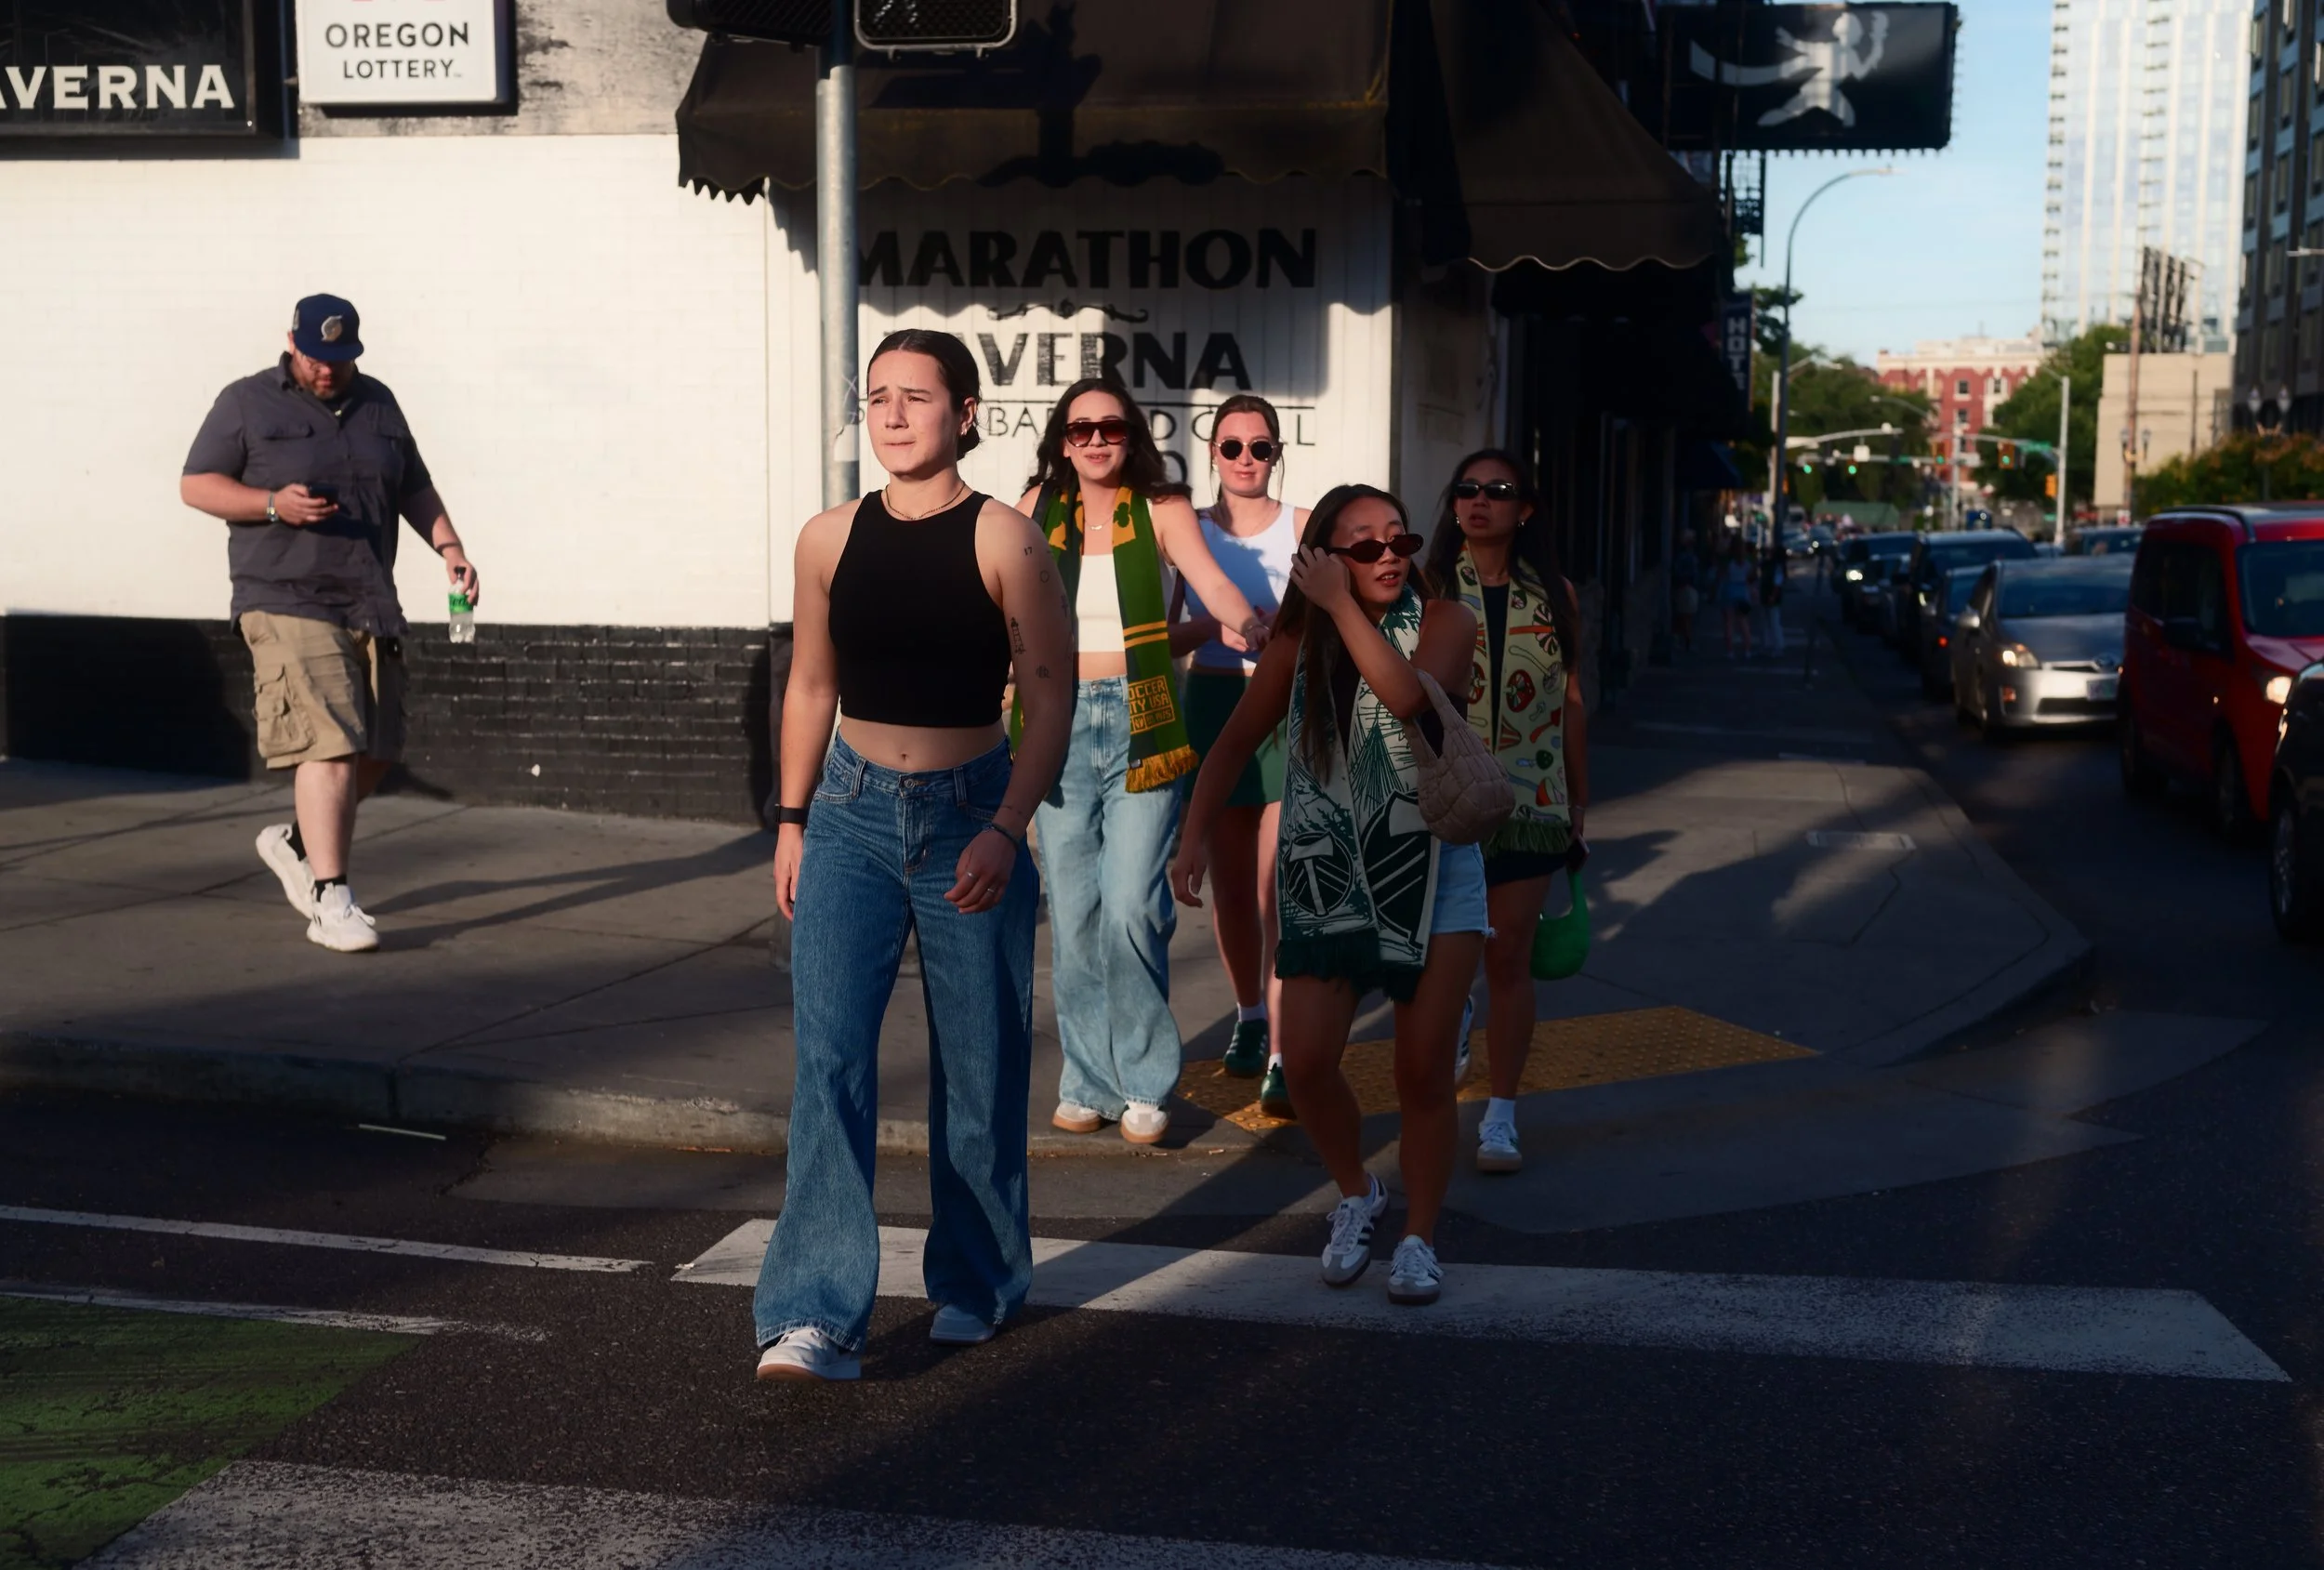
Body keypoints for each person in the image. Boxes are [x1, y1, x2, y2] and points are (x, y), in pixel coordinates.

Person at [755, 329, 1073, 1382]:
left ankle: (977, 1282)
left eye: (918, 397)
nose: (893, 415)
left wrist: (1005, 826)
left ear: (966, 414)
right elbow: (809, 685)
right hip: (845, 813)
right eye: (878, 397)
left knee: (978, 1067)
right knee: (831, 1063)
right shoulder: (826, 537)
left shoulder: (1007, 540)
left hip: (969, 812)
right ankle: (814, 1315)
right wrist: (792, 819)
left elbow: (1049, 694)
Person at [1171, 484, 1484, 1306]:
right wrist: (1191, 837)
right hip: (1327, 872)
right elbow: (1235, 741)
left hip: (1435, 873)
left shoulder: (1449, 621)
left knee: (1422, 1072)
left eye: (1399, 541)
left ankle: (1418, 1234)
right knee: (1305, 1062)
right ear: (1325, 560)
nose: (1389, 557)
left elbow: (1409, 696)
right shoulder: (1299, 645)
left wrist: (1340, 609)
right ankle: (1357, 1193)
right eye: (1364, 546)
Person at [178, 294, 479, 954]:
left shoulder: (379, 403)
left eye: (340, 361)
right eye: (316, 358)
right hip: (284, 593)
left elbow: (414, 487)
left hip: (367, 596)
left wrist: (452, 551)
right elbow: (196, 484)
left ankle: (294, 839)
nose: (327, 372)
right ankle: (330, 896)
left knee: (377, 748)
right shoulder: (246, 403)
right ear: (291, 341)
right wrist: (268, 503)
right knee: (331, 745)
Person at [1015, 379, 1268, 1146]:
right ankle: (1088, 1079)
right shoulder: (1035, 506)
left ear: (1131, 437)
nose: (1096, 440)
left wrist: (1255, 622)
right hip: (1053, 720)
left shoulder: (1160, 510)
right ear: (1063, 440)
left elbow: (1214, 587)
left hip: (1143, 719)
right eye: (1081, 428)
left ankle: (1147, 1082)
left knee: (1130, 905)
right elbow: (998, 597)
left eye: (1111, 428)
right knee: (1076, 911)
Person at [1422, 451, 1588, 1174]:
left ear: (1525, 509)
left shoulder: (1555, 596)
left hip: (1531, 800)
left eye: (1498, 491)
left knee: (1509, 954)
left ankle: (1501, 1114)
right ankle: (1455, 1018)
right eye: (1468, 489)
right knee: (1445, 956)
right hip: (1442, 796)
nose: (1480, 500)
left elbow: (1571, 701)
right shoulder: (1426, 589)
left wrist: (1581, 800)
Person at [1175, 396, 1307, 1115]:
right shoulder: (1187, 532)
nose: (1247, 460)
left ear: (1276, 453)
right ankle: (1249, 1015)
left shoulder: (1304, 527)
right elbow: (1159, 639)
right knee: (1230, 890)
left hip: (1286, 713)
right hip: (1214, 706)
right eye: (1233, 447)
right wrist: (1210, 628)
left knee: (1275, 891)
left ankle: (1284, 1052)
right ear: (1214, 453)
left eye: (1261, 447)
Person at [1718, 536, 1756, 659]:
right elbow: (1752, 578)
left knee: (1729, 624)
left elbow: (1721, 575)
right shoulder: (1748, 561)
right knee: (1744, 623)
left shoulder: (1728, 561)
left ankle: (1730, 651)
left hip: (1729, 591)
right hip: (1743, 592)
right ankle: (1747, 650)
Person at [1670, 530, 1701, 654]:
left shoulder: (1685, 555)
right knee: (1685, 617)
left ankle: (1683, 641)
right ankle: (1684, 641)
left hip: (1686, 587)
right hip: (1687, 587)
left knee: (1684, 616)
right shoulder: (1687, 556)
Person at [1758, 546, 1789, 657]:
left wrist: (1773, 596)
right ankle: (1769, 644)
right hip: (1767, 594)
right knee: (1768, 621)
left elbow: (1777, 583)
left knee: (1773, 621)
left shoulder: (1776, 566)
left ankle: (1777, 645)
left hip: (1771, 595)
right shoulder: (1771, 564)